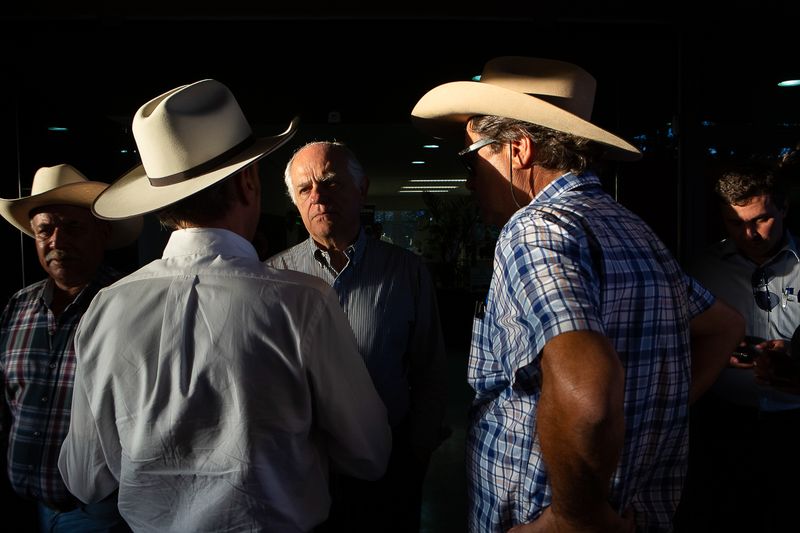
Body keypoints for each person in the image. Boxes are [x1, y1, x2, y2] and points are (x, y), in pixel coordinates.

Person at [411, 56, 744, 532]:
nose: (469, 178)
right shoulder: (632, 228)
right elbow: (724, 326)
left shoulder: (534, 230)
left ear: (519, 149)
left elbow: (587, 390)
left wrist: (573, 517)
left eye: (471, 156)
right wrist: (650, 416)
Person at [57, 79, 392, 532]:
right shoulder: (303, 303)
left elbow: (83, 477)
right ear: (248, 182)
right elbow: (370, 455)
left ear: (163, 202)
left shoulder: (105, 310)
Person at [267, 140, 447, 533]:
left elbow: (431, 371)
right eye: (305, 189)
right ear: (295, 202)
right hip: (303, 472)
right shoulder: (273, 277)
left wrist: (417, 454)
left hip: (390, 470)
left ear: (362, 188)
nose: (317, 197)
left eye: (330, 183)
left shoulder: (407, 271)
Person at [0, 163, 142, 532]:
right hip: (30, 507)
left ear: (103, 232)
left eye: (74, 227)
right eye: (45, 230)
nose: (57, 241)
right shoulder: (19, 306)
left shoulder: (130, 304)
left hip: (102, 513)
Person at [684, 158, 800, 531]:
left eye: (760, 220)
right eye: (735, 223)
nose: (749, 234)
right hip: (722, 426)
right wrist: (714, 351)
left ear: (784, 207)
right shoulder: (700, 269)